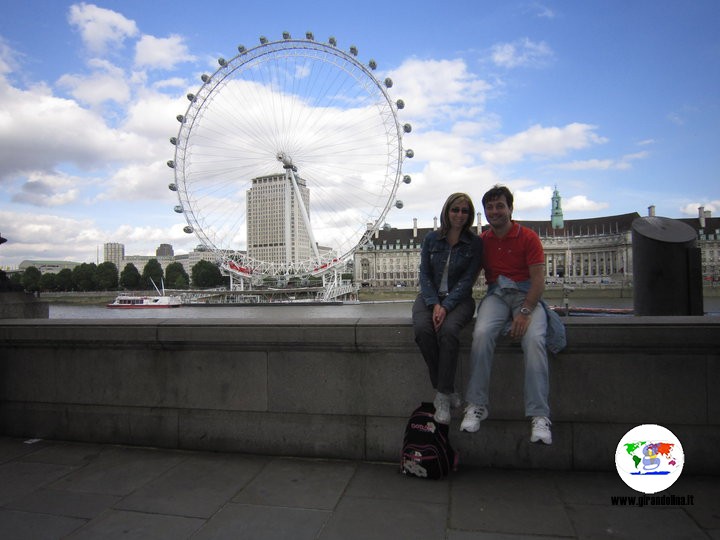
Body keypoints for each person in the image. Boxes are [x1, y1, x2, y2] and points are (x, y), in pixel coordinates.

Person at [461, 185, 554, 444]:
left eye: (500, 206)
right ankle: (477, 404)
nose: (494, 211)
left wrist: (524, 313)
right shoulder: (483, 242)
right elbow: (465, 272)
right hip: (497, 295)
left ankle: (539, 415)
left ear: (510, 209)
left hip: (526, 295)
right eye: (489, 207)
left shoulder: (528, 238)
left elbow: (538, 282)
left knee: (534, 341)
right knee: (480, 334)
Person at [413, 193, 483, 425]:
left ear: (470, 215)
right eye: (455, 210)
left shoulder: (475, 243)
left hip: (460, 299)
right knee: (423, 330)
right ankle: (446, 389)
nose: (459, 215)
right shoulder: (431, 239)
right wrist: (434, 304)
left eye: (464, 211)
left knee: (449, 332)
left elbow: (467, 280)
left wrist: (446, 306)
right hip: (429, 297)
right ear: (447, 211)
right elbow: (424, 274)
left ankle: (441, 397)